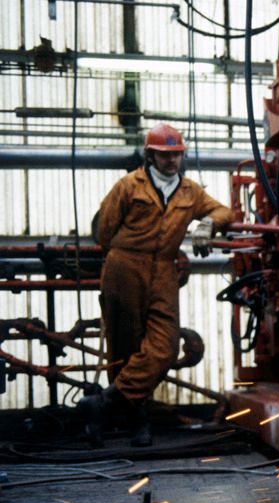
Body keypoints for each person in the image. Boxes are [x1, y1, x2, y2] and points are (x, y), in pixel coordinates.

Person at [79, 123, 232, 446]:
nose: (171, 161)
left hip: (163, 269)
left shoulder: (191, 192)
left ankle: (102, 405)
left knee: (163, 348)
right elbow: (104, 230)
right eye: (165, 155)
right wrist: (122, 260)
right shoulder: (128, 186)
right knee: (126, 349)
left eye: (176, 155)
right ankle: (137, 420)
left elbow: (223, 211)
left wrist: (207, 224)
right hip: (124, 266)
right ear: (150, 155)